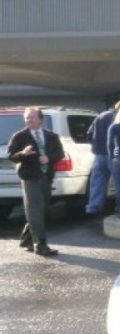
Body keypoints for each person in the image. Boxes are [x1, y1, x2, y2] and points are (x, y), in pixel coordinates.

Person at [6, 107, 64, 256]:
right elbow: (12, 156)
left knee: (42, 209)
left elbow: (60, 153)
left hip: (46, 176)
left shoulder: (51, 136)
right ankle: (40, 244)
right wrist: (23, 153)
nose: (29, 120)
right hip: (30, 177)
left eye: (32, 117)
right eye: (26, 118)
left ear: (40, 119)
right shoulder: (19, 136)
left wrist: (49, 158)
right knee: (34, 210)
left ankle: (27, 239)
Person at [85, 99, 120, 215]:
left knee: (97, 182)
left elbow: (88, 134)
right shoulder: (118, 118)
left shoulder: (100, 116)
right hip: (114, 155)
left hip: (99, 154)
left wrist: (95, 145)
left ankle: (93, 206)